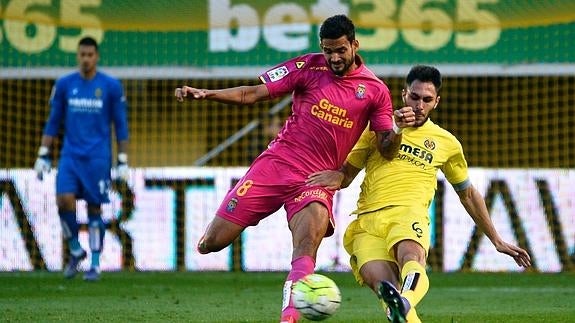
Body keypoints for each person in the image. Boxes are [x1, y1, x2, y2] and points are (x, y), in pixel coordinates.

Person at [175, 14, 415, 323]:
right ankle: (239, 220)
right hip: (276, 165)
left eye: (340, 50)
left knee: (305, 247)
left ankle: (289, 316)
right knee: (212, 243)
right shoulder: (308, 67)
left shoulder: (374, 90)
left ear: (355, 45)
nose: (334, 58)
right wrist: (206, 94)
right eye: (328, 50)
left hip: (315, 182)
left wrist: (396, 129)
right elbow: (253, 93)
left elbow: (386, 149)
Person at [306, 65, 531, 323]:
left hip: (408, 213)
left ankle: (405, 299)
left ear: (436, 102)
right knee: (386, 290)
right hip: (367, 223)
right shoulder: (376, 128)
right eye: (414, 97)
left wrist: (497, 240)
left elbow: (467, 194)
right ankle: (401, 302)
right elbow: (345, 176)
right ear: (403, 94)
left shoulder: (446, 142)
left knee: (411, 257)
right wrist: (317, 180)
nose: (419, 105)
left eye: (426, 99)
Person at [34, 36, 130, 282]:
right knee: (63, 200)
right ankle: (76, 249)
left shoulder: (110, 86)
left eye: (90, 55)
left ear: (96, 57)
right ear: (78, 56)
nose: (86, 59)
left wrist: (123, 159)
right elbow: (54, 120)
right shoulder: (65, 84)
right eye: (82, 55)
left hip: (98, 157)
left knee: (95, 208)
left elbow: (120, 124)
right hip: (70, 156)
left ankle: (95, 264)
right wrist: (43, 154)